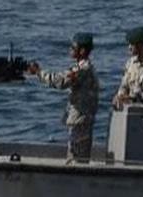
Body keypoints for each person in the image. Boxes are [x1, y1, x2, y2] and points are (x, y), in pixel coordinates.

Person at [27, 33, 100, 163]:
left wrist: (39, 72)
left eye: (73, 47)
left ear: (82, 51)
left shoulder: (82, 70)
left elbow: (60, 81)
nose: (70, 50)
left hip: (80, 121)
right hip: (80, 119)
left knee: (76, 160)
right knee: (76, 157)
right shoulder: (83, 68)